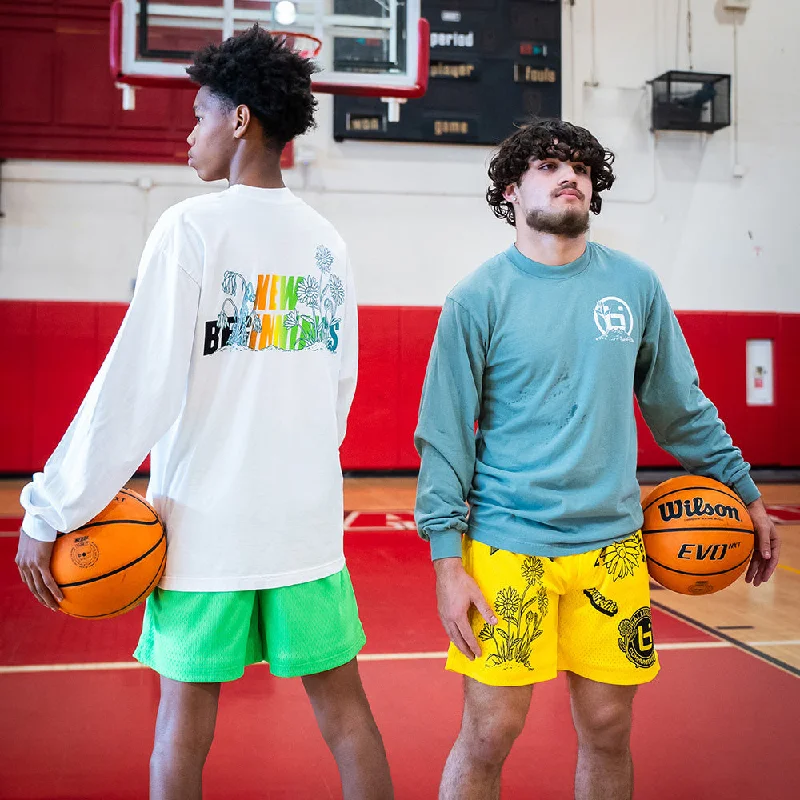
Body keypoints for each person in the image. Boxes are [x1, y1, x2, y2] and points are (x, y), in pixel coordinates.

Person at [15, 26, 393, 800]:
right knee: (347, 715)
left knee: (181, 730)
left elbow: (136, 385)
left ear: (241, 119)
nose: (189, 134)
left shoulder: (191, 228)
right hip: (305, 526)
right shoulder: (327, 242)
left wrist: (51, 505)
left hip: (206, 529)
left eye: (198, 116)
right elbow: (339, 392)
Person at [414, 119, 780, 800]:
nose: (570, 176)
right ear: (510, 190)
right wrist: (446, 562)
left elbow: (681, 407)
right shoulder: (476, 298)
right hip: (506, 546)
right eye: (549, 165)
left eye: (581, 167)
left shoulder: (634, 285)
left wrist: (747, 493)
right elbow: (443, 436)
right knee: (490, 730)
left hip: (613, 548)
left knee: (609, 728)